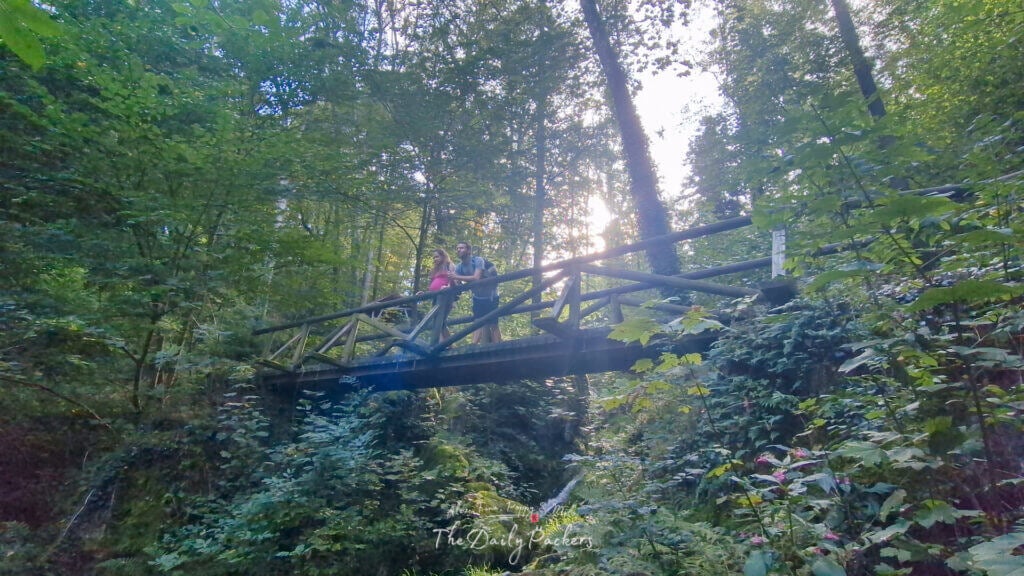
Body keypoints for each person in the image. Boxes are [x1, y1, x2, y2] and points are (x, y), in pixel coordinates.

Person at [448, 242, 502, 344]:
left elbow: (476, 277)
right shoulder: (459, 267)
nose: (459, 250)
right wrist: (453, 281)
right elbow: (458, 285)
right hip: (478, 297)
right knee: (477, 322)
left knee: (493, 324)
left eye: (462, 248)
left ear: (468, 250)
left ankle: (498, 346)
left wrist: (455, 277)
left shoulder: (478, 260)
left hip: (492, 296)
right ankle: (473, 346)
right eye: (457, 248)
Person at [421, 248, 455, 341]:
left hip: (446, 296)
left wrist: (447, 286)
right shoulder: (435, 269)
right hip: (436, 297)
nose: (435, 259)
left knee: (441, 321)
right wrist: (424, 293)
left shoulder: (449, 265)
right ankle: (446, 344)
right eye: (434, 257)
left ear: (443, 256)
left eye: (437, 256)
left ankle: (443, 344)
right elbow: (433, 285)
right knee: (438, 321)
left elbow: (453, 279)